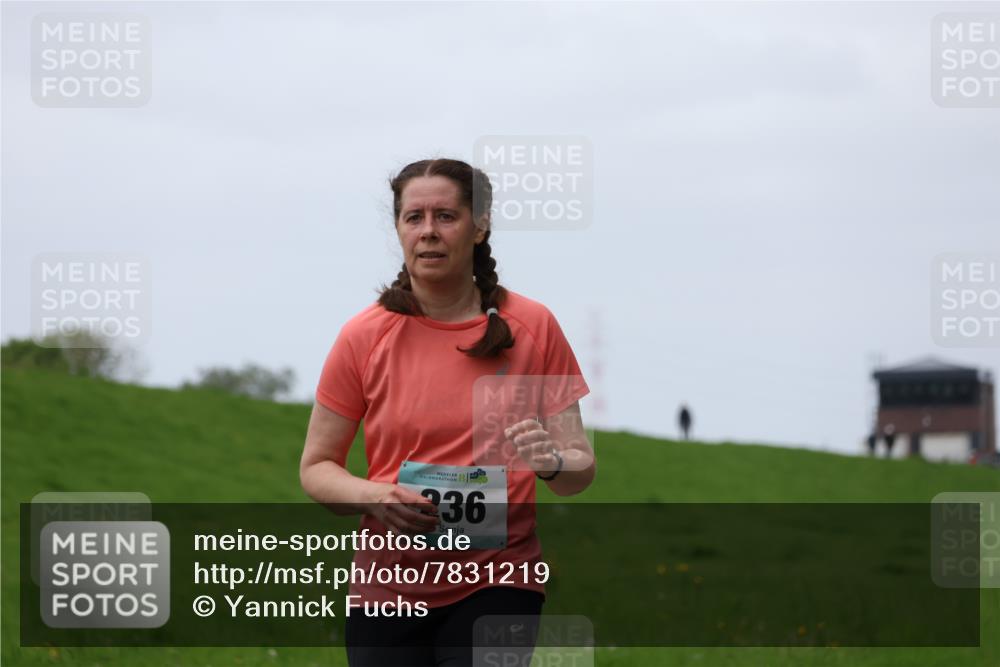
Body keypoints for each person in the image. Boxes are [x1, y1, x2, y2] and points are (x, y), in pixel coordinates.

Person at [299, 158, 597, 666]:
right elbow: (316, 469)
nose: (429, 232)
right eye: (414, 218)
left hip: (500, 579)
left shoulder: (534, 325)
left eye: (446, 216)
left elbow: (579, 470)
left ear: (480, 226)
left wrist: (551, 461)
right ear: (398, 228)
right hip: (389, 584)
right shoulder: (364, 336)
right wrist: (377, 495)